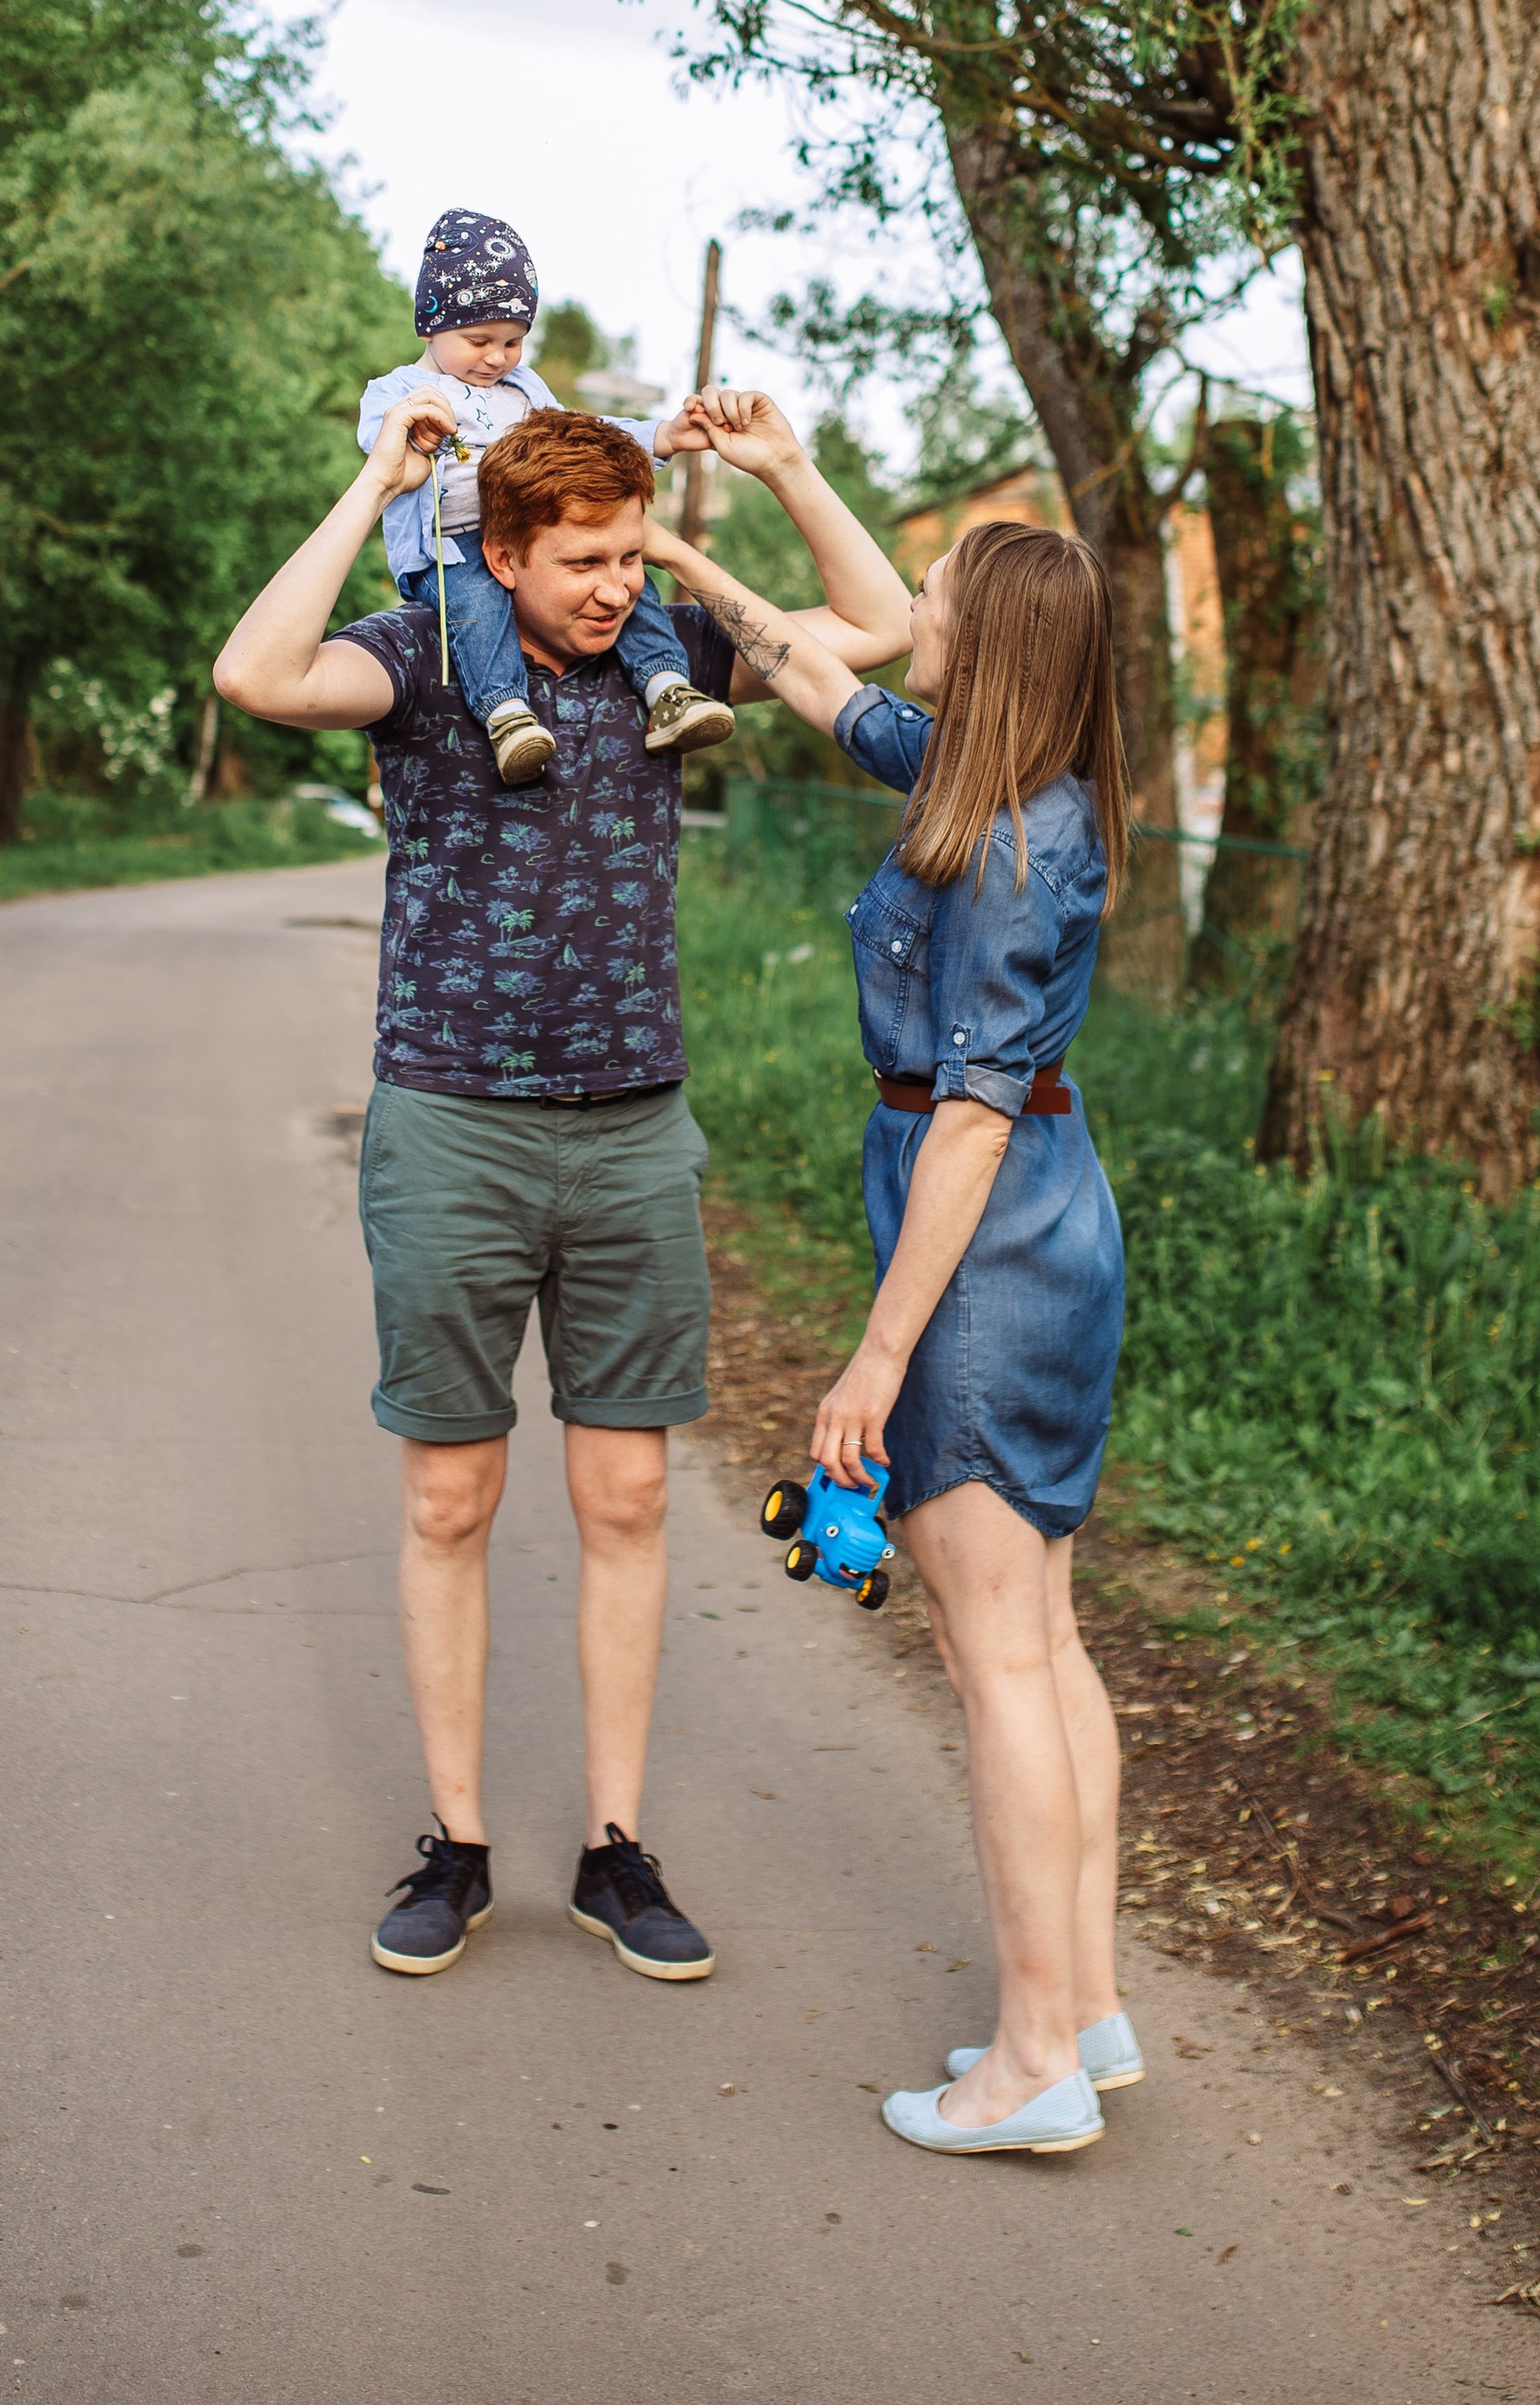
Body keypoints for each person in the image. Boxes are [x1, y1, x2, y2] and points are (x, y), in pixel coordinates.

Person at [213, 385, 910, 1982]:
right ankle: (456, 1847)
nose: (612, 585)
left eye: (628, 552)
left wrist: (766, 476)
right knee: (453, 1496)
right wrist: (376, 481)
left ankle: (613, 1848)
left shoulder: (675, 658)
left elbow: (884, 623)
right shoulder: (421, 658)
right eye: (583, 557)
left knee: (632, 1494)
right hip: (453, 1126)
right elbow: (252, 672)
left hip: (631, 1132)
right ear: (505, 551)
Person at [649, 452, 1133, 2158]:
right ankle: (1079, 2004)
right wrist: (731, 500)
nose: (908, 602)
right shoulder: (987, 785)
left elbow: (973, 1114)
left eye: (939, 596)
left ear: (982, 646)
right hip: (1038, 1235)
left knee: (992, 1653)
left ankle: (1025, 2065)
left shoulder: (1001, 844)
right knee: (1042, 1637)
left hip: (981, 1247)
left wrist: (873, 1353)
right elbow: (802, 655)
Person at [358, 205, 735, 784]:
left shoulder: (523, 388)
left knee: (625, 585)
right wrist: (409, 430)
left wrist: (660, 435)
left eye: (513, 341)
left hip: (533, 535)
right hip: (452, 549)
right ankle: (508, 716)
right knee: (479, 606)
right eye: (479, 339)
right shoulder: (402, 389)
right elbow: (376, 440)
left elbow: (584, 432)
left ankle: (667, 687)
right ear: (430, 325)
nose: (496, 357)